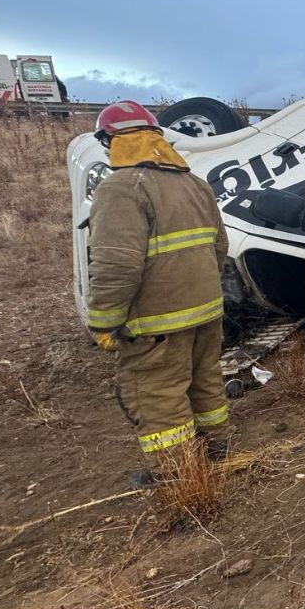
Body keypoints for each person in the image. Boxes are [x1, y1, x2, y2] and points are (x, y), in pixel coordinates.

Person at [85, 100, 232, 488]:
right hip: (207, 308)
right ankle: (217, 447)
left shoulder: (119, 189)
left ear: (110, 141)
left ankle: (180, 472)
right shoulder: (195, 185)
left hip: (156, 320)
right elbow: (220, 247)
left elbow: (117, 266)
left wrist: (103, 321)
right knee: (205, 380)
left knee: (158, 393)